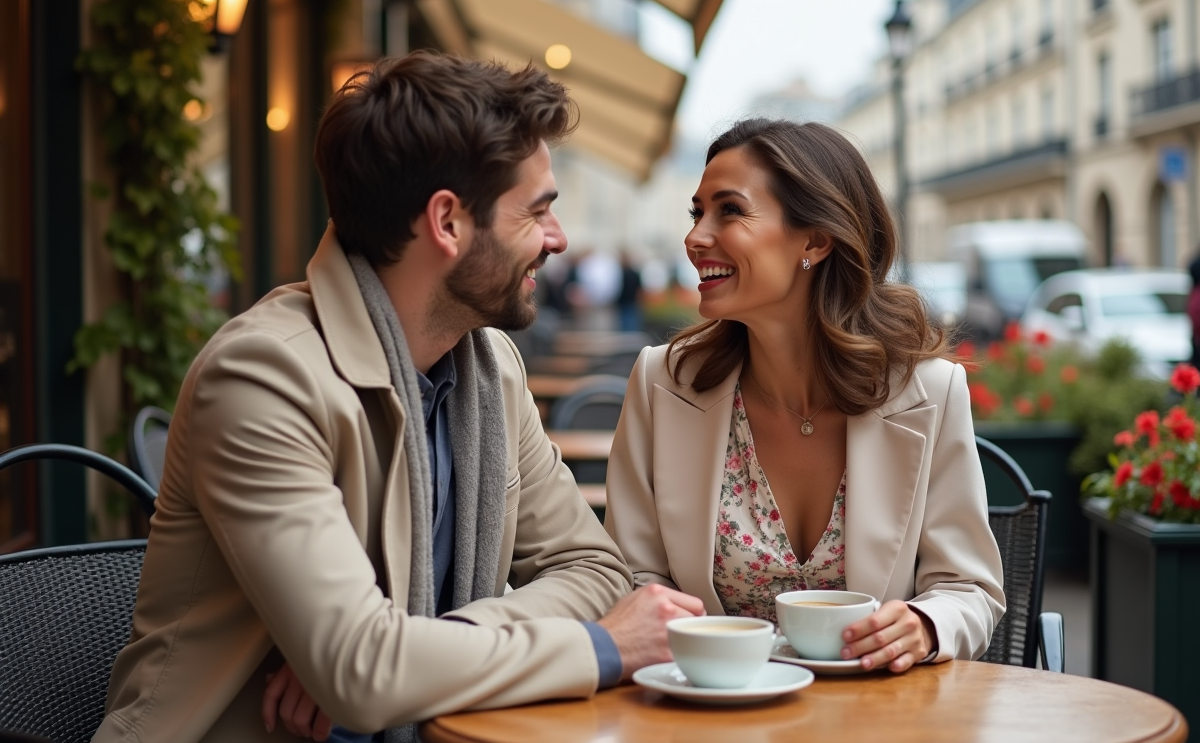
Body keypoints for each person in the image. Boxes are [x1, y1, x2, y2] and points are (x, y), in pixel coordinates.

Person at [94, 53, 702, 743]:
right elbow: (362, 672)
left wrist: (423, 650)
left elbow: (594, 569)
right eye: (537, 211)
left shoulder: (491, 370)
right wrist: (601, 646)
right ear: (447, 221)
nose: (557, 239)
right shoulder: (262, 377)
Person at [604, 119, 1005, 673]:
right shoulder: (661, 383)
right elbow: (632, 578)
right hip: (711, 704)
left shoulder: (929, 392)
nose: (695, 238)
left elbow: (969, 589)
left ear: (815, 241)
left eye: (729, 210)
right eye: (697, 214)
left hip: (876, 710)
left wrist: (923, 625)